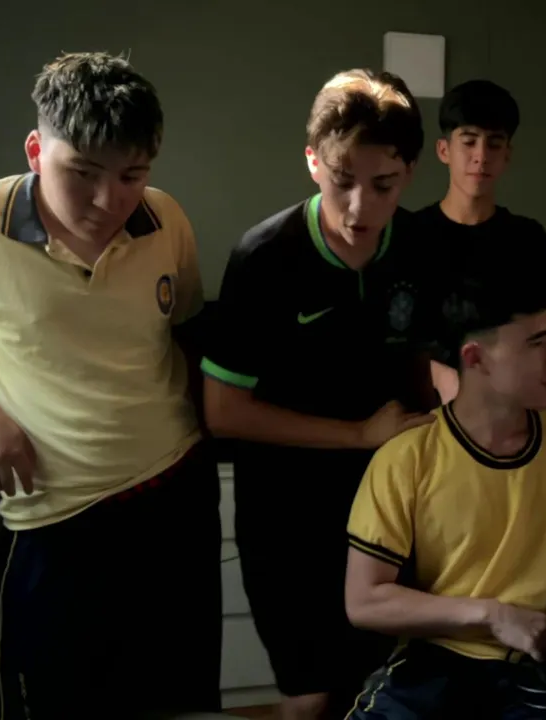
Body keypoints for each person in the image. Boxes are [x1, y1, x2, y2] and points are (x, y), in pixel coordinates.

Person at [0, 52, 220, 718]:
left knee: (182, 701)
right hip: (56, 515)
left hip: (177, 495)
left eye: (131, 176)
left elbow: (185, 335)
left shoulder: (166, 220)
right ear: (37, 151)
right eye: (83, 173)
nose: (108, 201)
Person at [201, 69, 436, 720]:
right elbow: (222, 412)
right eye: (341, 180)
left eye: (383, 185)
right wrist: (358, 435)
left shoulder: (422, 248)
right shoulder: (264, 257)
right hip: (287, 517)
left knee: (382, 692)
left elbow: (430, 365)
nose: (359, 208)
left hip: (392, 510)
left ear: (410, 173)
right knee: (311, 699)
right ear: (312, 162)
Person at [344, 264, 546, 719]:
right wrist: (493, 616)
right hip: (439, 660)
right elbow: (364, 601)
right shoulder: (407, 459)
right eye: (538, 342)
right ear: (476, 358)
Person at [417, 79, 546, 405]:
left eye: (494, 145)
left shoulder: (527, 238)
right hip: (427, 408)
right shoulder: (412, 234)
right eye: (469, 142)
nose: (481, 156)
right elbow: (393, 341)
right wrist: (440, 376)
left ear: (507, 154)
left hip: (508, 405)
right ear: (444, 150)